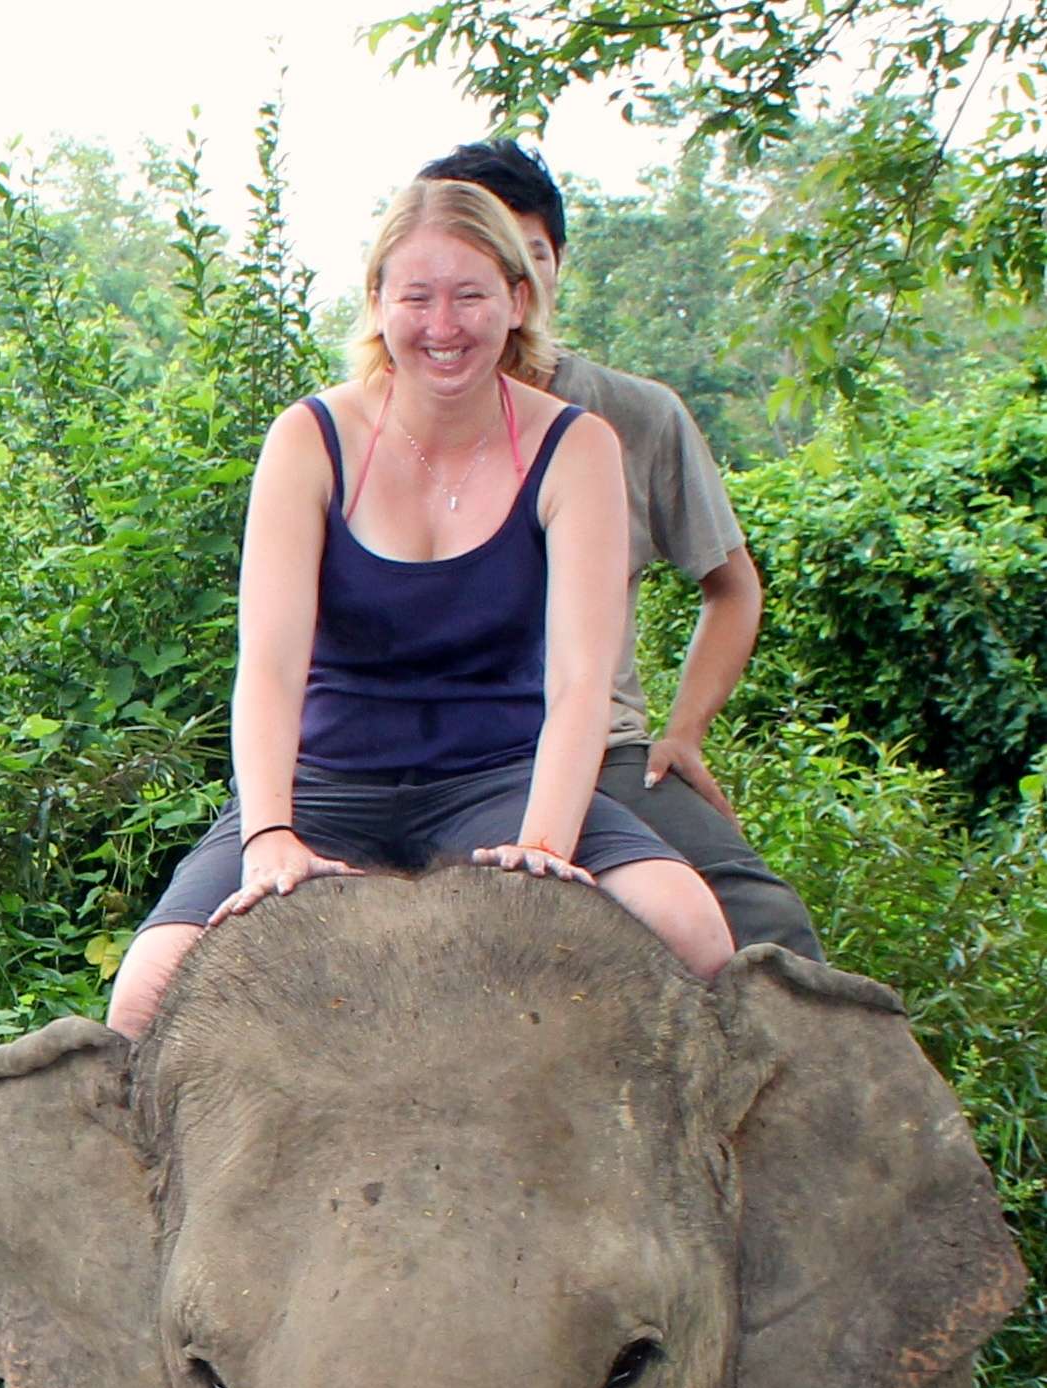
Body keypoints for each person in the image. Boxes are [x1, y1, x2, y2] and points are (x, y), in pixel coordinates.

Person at [107, 178, 734, 1037]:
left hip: (500, 779)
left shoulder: (576, 446)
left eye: (471, 296)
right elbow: (272, 668)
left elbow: (582, 681)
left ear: (518, 302)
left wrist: (543, 847)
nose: (444, 325)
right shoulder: (310, 438)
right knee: (141, 998)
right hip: (326, 783)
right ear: (377, 303)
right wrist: (269, 835)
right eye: (417, 297)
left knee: (696, 930)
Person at [418, 138, 824, 960]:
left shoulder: (634, 416)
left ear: (546, 272)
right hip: (428, 755)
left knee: (767, 924)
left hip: (605, 757)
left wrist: (685, 732)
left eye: (525, 255)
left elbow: (732, 585)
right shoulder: (364, 428)